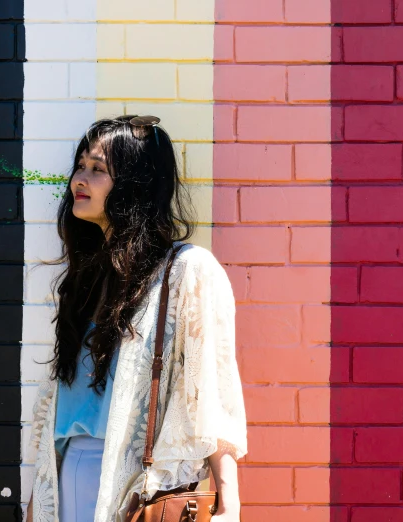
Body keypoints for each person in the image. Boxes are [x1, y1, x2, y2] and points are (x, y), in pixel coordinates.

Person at [25, 116, 248, 522]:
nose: (80, 178)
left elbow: (211, 394)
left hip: (137, 487)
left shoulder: (186, 271)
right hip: (68, 474)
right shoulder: (85, 281)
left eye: (98, 169)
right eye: (80, 166)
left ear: (134, 185)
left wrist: (228, 503)